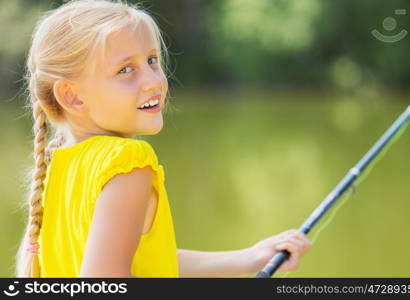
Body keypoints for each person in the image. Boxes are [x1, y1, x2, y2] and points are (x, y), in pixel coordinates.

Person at [16, 0, 311, 278]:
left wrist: (249, 257)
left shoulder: (57, 165)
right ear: (71, 96)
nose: (154, 81)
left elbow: (144, 259)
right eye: (126, 69)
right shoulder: (127, 162)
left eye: (152, 61)